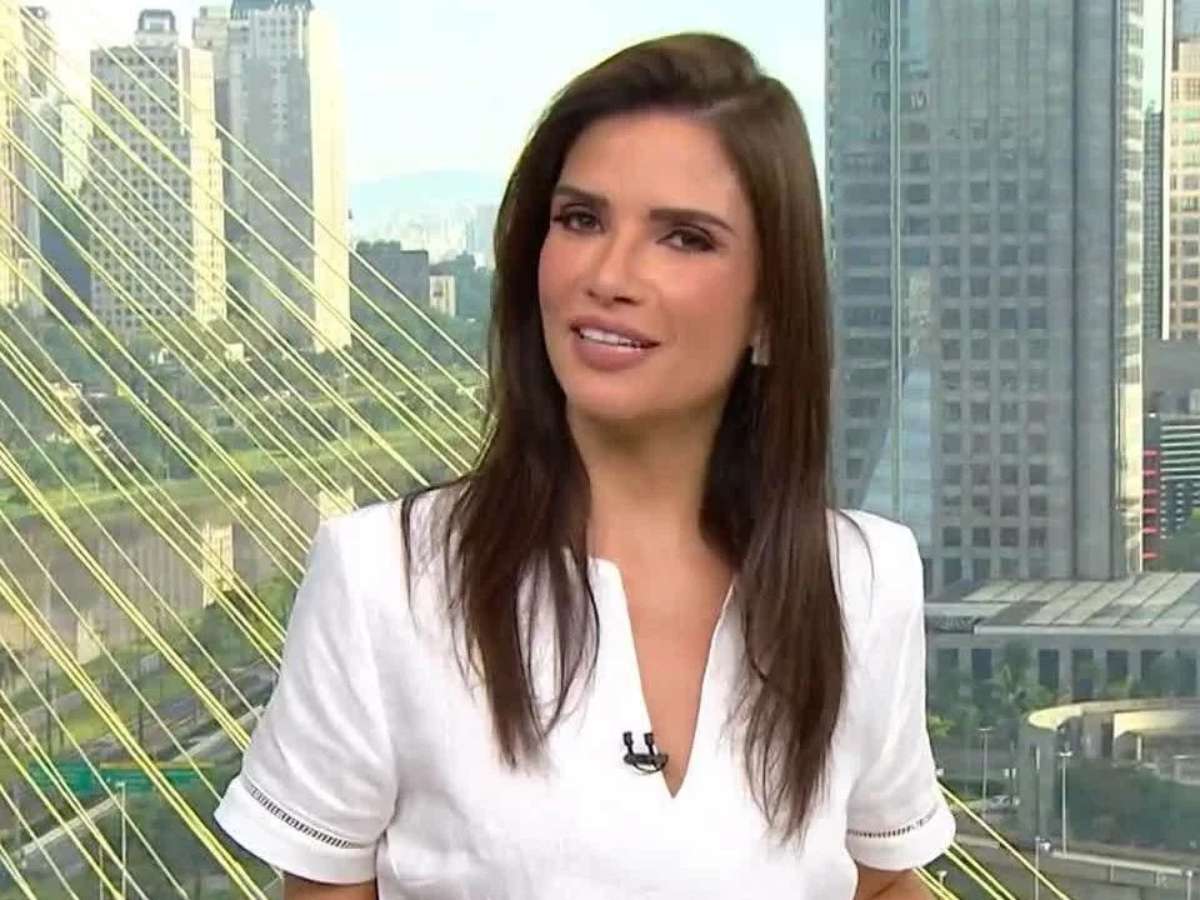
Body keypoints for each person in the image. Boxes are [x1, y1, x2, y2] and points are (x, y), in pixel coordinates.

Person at [213, 31, 955, 900]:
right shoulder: (385, 579)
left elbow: (883, 882)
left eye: (684, 238)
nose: (609, 274)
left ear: (767, 310)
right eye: (581, 221)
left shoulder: (860, 582)